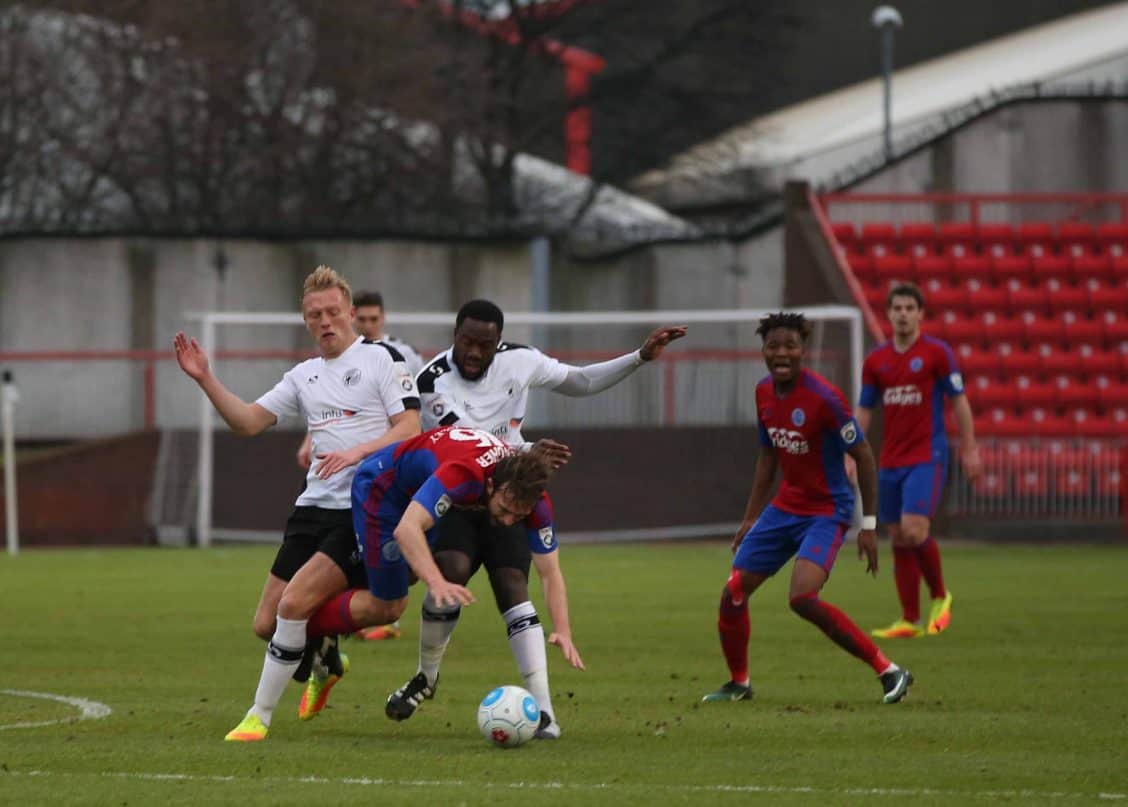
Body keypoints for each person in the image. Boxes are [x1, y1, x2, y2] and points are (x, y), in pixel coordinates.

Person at [386, 299, 688, 739]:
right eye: (467, 341)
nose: (474, 352)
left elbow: (581, 381)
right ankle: (426, 677)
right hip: (461, 492)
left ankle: (545, 713)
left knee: (514, 589)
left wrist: (639, 357)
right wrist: (525, 451)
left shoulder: (521, 361)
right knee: (448, 575)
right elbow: (474, 442)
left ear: (498, 342)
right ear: (455, 335)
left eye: (484, 344)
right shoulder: (431, 381)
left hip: (510, 497)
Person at [172, 264, 423, 741]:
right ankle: (327, 660)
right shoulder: (304, 375)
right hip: (311, 509)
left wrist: (357, 452)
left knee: (294, 605)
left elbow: (410, 428)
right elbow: (247, 422)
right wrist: (204, 377)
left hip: (361, 508)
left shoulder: (383, 360)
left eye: (332, 312)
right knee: (265, 623)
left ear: (350, 313)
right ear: (305, 321)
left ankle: (258, 716)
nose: (325, 321)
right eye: (314, 315)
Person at [233, 425, 566, 740]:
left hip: (417, 495)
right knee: (383, 604)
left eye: (517, 517)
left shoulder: (528, 495)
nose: (508, 522)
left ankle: (312, 635)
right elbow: (406, 529)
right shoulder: (461, 476)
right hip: (383, 494)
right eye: (506, 510)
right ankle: (260, 712)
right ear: (491, 485)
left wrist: (563, 630)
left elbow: (550, 572)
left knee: (393, 592)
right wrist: (436, 581)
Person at [702, 312, 913, 705]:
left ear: (803, 350)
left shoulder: (824, 398)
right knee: (733, 591)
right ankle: (739, 683)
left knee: (801, 597)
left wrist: (868, 525)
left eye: (790, 346)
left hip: (826, 511)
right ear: (763, 351)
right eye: (773, 346)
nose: (781, 353)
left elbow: (864, 456)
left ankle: (890, 671)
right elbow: (768, 456)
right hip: (785, 507)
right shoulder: (763, 393)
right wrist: (751, 516)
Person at [295, 289, 425, 642]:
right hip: (347, 480)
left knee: (408, 562)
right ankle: (333, 621)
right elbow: (334, 409)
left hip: (391, 470)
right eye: (362, 319)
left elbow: (414, 412)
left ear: (381, 319)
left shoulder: (399, 356)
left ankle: (379, 612)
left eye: (373, 319)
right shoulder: (332, 359)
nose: (367, 325)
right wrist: (311, 440)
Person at [859, 282, 981, 639]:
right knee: (897, 534)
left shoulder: (937, 353)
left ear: (920, 314)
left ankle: (941, 597)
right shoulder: (876, 361)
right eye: (896, 308)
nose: (902, 314)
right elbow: (865, 409)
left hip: (927, 454)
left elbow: (959, 401)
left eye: (909, 308)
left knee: (914, 530)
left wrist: (970, 448)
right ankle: (909, 620)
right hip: (890, 459)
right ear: (889, 314)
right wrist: (852, 452)